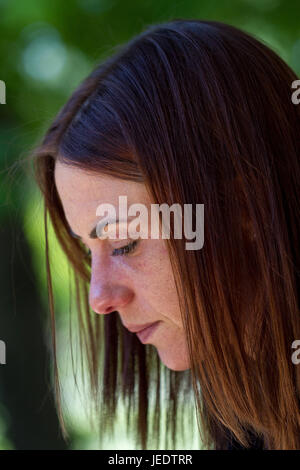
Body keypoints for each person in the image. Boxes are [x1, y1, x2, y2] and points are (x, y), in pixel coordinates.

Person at [32, 19, 300, 450]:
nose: (98, 298)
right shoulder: (249, 422)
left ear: (245, 209)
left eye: (124, 242)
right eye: (88, 251)